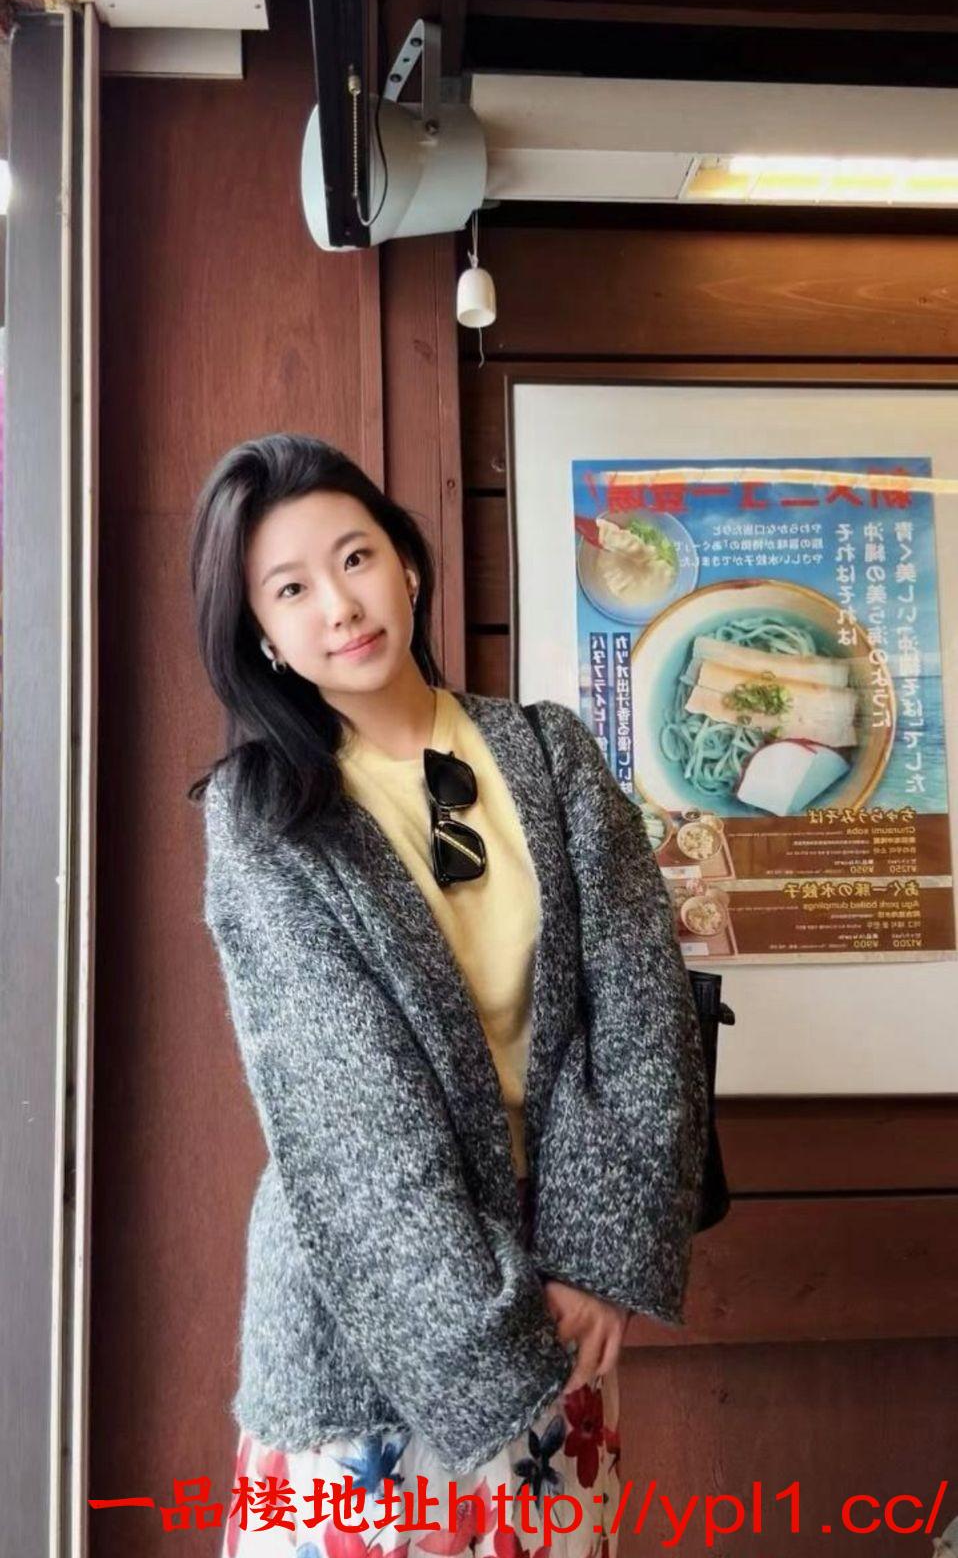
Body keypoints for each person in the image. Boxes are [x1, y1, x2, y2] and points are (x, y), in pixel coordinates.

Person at [188, 433, 710, 1558]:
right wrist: (491, 1336)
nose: (341, 604)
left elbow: (641, 1012)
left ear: (408, 565)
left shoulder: (550, 755)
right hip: (364, 1324)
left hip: (567, 1286)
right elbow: (348, 1112)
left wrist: (597, 1266)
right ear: (262, 634)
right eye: (291, 588)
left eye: (356, 557)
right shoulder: (264, 814)